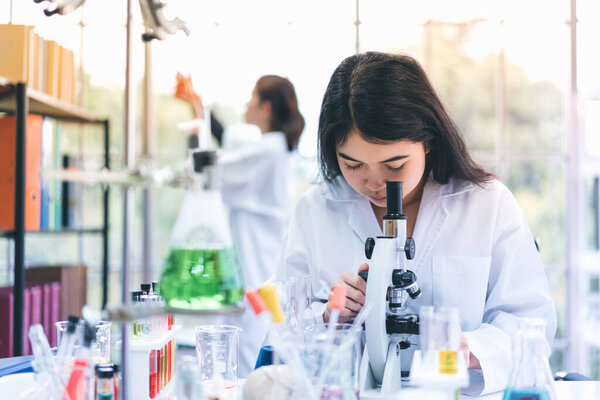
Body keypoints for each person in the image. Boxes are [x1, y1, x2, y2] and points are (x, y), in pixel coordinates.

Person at [277, 52, 556, 395]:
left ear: (428, 139)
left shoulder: (487, 204)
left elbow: (531, 324)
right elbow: (280, 321)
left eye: (394, 166)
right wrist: (326, 316)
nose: (374, 182)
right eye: (352, 165)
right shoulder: (315, 210)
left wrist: (470, 349)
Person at [175, 73, 305, 377]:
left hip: (255, 258)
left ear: (267, 107)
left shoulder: (269, 149)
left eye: (253, 98)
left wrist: (193, 151)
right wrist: (196, 104)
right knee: (247, 337)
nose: (247, 104)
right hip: (258, 253)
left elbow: (214, 167)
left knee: (248, 342)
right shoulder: (274, 146)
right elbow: (227, 142)